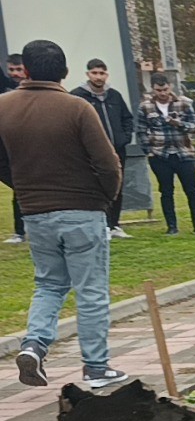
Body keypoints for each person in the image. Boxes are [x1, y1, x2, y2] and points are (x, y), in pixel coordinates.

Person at [0, 39, 128, 389]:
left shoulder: (4, 106)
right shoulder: (77, 107)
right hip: (83, 210)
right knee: (91, 291)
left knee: (49, 283)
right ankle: (96, 366)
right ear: (66, 72)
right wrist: (106, 196)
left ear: (24, 70)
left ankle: (35, 344)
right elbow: (107, 162)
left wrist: (22, 186)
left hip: (35, 211)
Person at [72, 58, 135, 238]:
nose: (98, 77)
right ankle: (100, 225)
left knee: (116, 185)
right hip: (92, 153)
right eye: (94, 73)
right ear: (88, 74)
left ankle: (114, 224)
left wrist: (124, 138)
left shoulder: (114, 95)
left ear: (106, 75)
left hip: (117, 150)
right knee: (95, 187)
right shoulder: (78, 96)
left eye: (102, 73)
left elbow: (127, 118)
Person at [140, 73, 195, 235]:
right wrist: (148, 151)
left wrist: (178, 123)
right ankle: (172, 227)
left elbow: (194, 126)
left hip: (184, 153)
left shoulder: (183, 103)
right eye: (158, 90)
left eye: (165, 89)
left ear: (170, 87)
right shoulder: (145, 107)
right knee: (166, 191)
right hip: (160, 155)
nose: (162, 93)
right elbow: (140, 130)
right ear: (153, 89)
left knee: (192, 190)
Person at [4, 54, 25, 245]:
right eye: (12, 70)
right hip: (6, 149)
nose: (15, 74)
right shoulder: (4, 89)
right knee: (19, 188)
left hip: (29, 146)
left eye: (19, 69)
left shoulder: (32, 88)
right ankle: (20, 232)